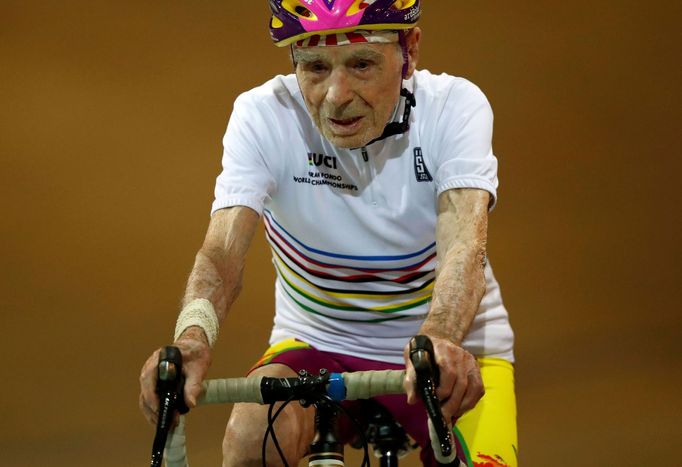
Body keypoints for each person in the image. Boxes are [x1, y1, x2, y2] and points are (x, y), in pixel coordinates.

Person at [139, 1, 517, 465]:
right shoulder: (263, 115)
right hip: (316, 342)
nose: (336, 95)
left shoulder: (454, 107)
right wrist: (193, 337)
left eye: (361, 64)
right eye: (315, 67)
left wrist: (439, 337)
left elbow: (463, 247)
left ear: (410, 50)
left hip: (445, 347)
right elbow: (221, 253)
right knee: (250, 437)